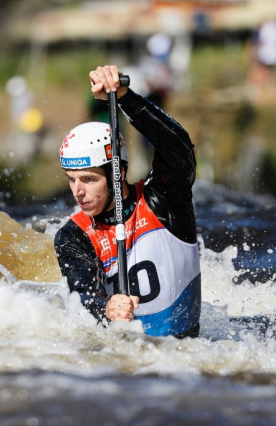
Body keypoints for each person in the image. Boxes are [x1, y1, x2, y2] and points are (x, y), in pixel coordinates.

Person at [54, 65, 201, 338]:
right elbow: (83, 296)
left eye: (88, 179)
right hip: (126, 362)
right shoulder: (72, 236)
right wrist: (105, 306)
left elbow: (178, 147)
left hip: (187, 353)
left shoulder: (164, 199)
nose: (77, 192)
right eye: (71, 180)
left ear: (118, 174)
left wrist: (125, 97)